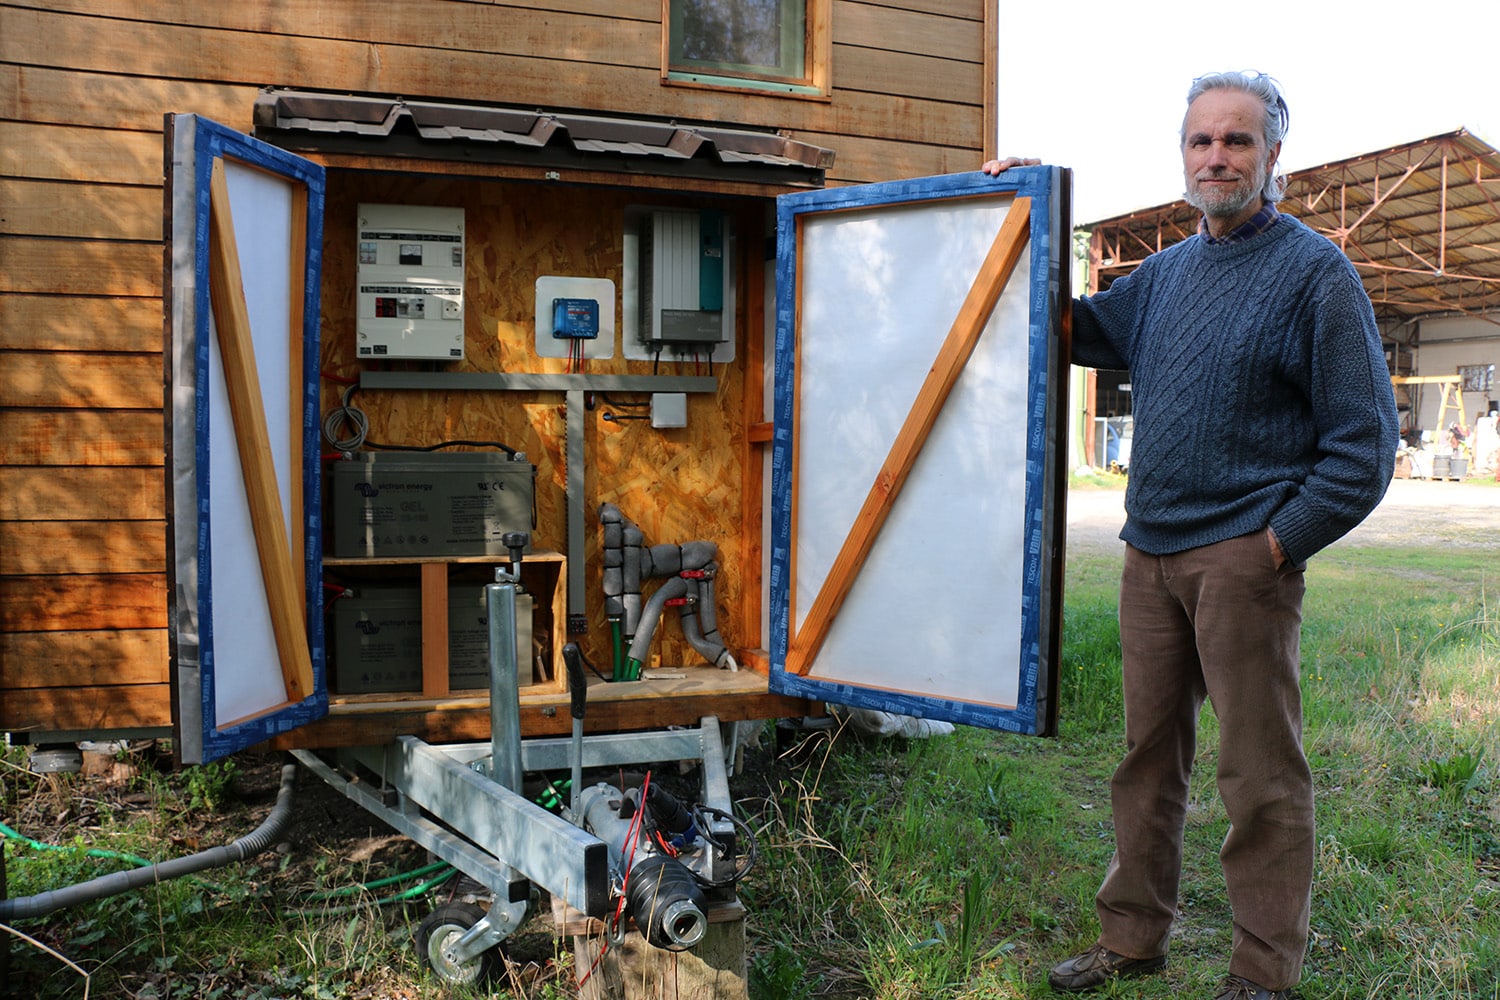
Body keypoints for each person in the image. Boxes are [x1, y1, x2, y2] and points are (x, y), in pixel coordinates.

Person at [985, 71, 1398, 1000]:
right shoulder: (1166, 273)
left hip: (1242, 559)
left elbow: (1366, 444)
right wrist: (1013, 217)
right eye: (1201, 141)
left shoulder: (1315, 274)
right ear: (1184, 157)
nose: (1216, 156)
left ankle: (1262, 972)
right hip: (1149, 553)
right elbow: (1076, 329)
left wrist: (1278, 544)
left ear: (1274, 157)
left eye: (1237, 141)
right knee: (1144, 761)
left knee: (1258, 774)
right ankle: (1132, 939)